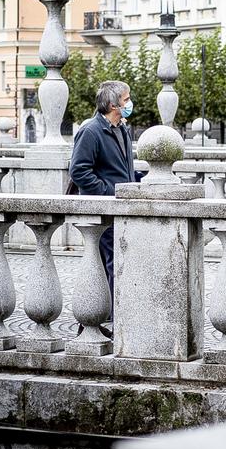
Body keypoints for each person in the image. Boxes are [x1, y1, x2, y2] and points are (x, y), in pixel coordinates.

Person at [69, 80, 142, 326]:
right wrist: (110, 192)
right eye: (126, 99)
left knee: (117, 262)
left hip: (122, 208)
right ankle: (107, 319)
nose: (130, 103)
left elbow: (120, 169)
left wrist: (139, 181)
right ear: (113, 104)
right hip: (103, 210)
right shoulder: (90, 131)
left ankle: (111, 315)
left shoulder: (121, 128)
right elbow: (78, 172)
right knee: (109, 262)